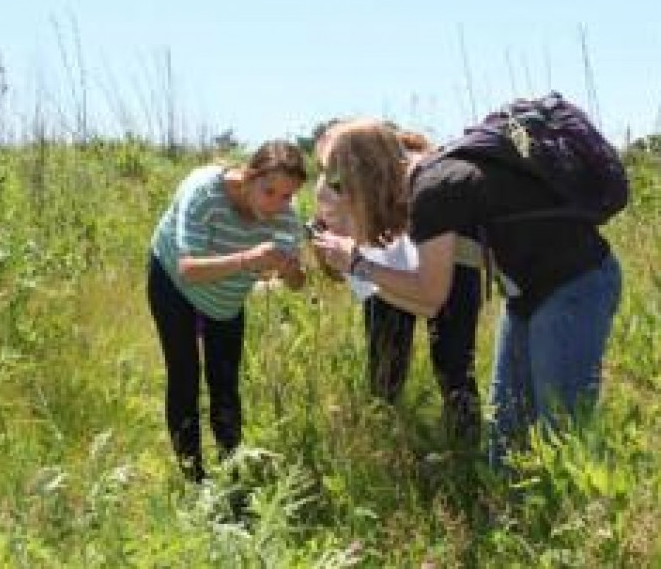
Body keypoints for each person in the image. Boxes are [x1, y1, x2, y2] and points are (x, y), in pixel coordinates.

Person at [311, 119, 621, 469]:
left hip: (574, 285)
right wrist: (359, 267)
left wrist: (357, 265)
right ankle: (513, 515)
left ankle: (574, 516)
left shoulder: (432, 189)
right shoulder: (426, 182)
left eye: (338, 180)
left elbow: (429, 294)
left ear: (362, 173)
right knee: (505, 429)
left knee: (561, 427)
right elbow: (428, 304)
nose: (337, 190)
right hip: (526, 295)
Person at [311, 122, 484, 446]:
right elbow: (340, 231)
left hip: (436, 262)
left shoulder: (427, 181)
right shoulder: (335, 184)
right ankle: (387, 436)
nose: (332, 176)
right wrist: (354, 261)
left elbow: (432, 295)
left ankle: (465, 447)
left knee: (454, 363)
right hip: (383, 267)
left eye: (336, 166)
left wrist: (358, 263)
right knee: (386, 364)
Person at [147, 140, 308, 481]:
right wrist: (249, 259)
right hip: (173, 283)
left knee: (225, 383)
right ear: (248, 177)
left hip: (225, 301)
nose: (278, 205)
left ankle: (233, 476)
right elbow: (188, 268)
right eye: (270, 191)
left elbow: (298, 283)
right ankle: (194, 480)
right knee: (184, 377)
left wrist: (290, 270)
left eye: (287, 196)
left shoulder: (286, 219)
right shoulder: (203, 192)